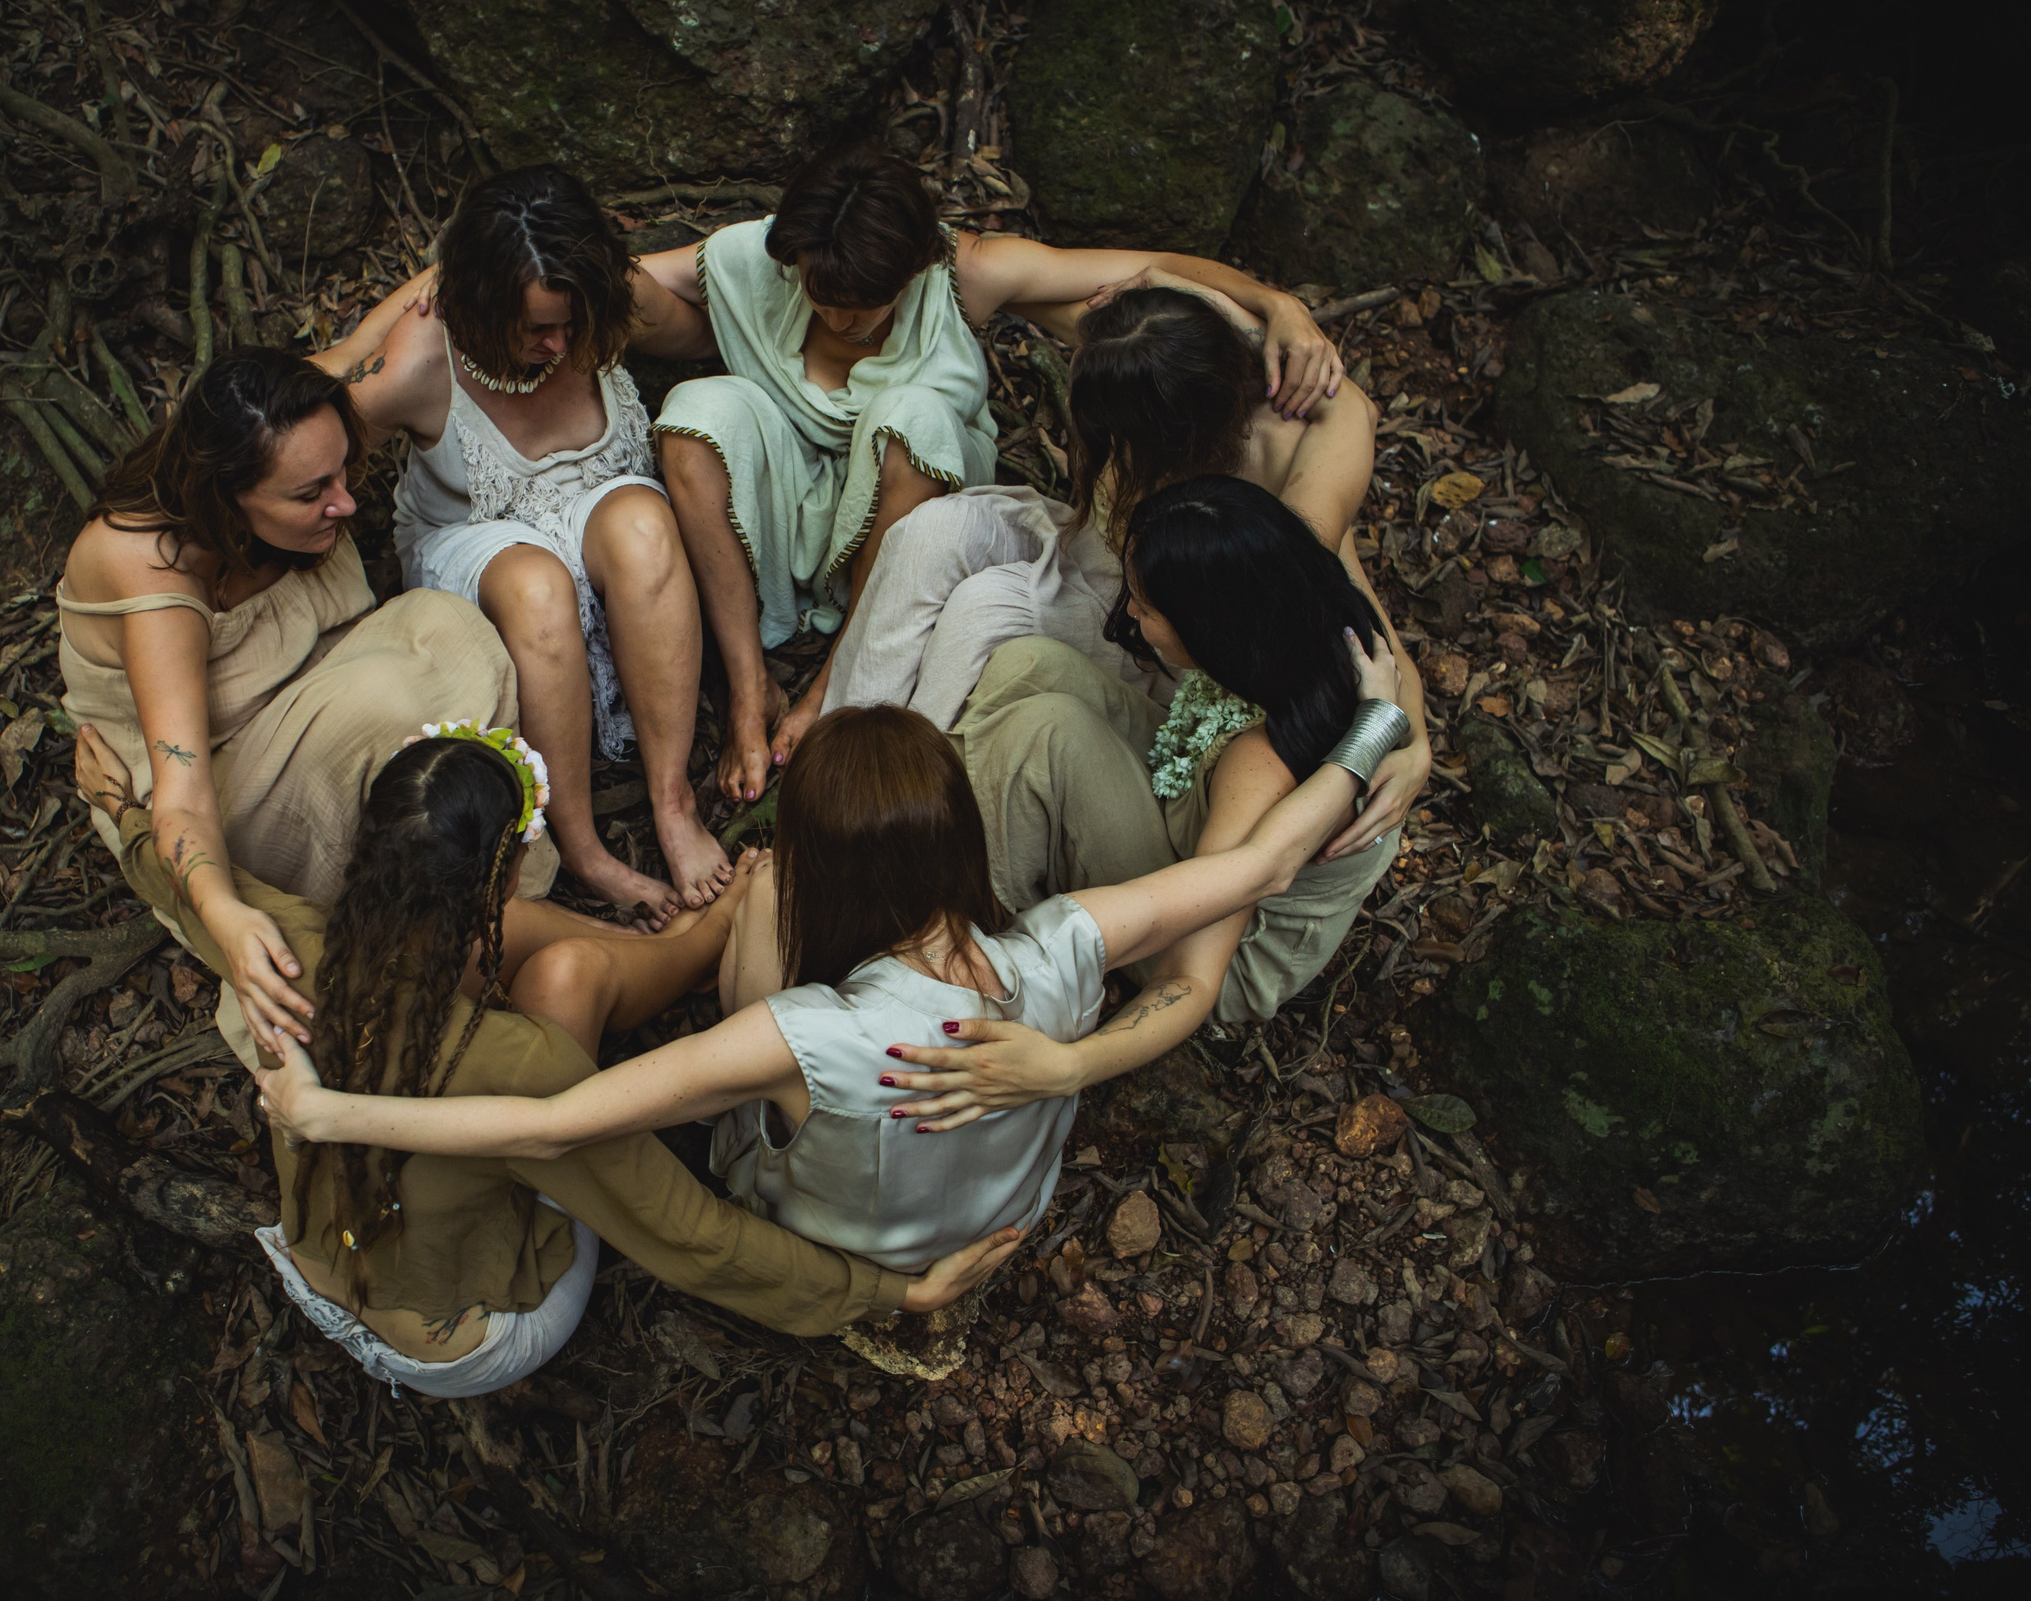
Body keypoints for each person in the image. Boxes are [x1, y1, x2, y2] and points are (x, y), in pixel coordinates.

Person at [252, 640, 1409, 1278]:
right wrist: (1378, 724)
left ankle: (717, 935)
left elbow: (553, 1120)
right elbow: (1260, 870)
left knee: (722, 938)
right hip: (1008, 1202)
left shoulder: (797, 1035)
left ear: (821, 868)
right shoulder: (1068, 942)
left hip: (834, 1228)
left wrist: (329, 1111)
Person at [73, 725, 1019, 1399]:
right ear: (490, 875)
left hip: (319, 1270)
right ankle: (699, 938)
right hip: (467, 1338)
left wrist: (120, 812)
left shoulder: (286, 949)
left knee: (551, 961)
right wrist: (896, 1290)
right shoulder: (523, 1065)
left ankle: (689, 939)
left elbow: (202, 891)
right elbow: (690, 1233)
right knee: (568, 991)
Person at [646, 145, 1348, 800]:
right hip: (1043, 537)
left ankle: (885, 784)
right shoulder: (775, 261)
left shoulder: (1281, 426)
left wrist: (1279, 307)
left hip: (1127, 590)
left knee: (978, 606)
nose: (835, 317)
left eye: (857, 307)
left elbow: (1335, 608)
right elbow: (640, 288)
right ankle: (838, 738)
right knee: (936, 536)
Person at [56, 349, 625, 1058]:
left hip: (329, 686)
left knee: (451, 629)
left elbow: (429, 309)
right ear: (227, 497)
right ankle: (455, 937)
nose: (347, 502)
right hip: (221, 789)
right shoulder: (150, 565)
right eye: (310, 493)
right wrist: (227, 918)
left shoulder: (277, 415)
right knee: (387, 703)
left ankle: (497, 897)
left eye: (342, 471)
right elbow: (181, 793)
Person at [823, 278, 1429, 861]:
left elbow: (1348, 613)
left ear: (1181, 433)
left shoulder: (1293, 464)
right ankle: (834, 763)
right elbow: (1056, 267)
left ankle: (892, 815)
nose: (1113, 452)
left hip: (1147, 634)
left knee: (981, 612)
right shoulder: (1138, 339)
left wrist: (1414, 740)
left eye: (1127, 441)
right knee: (933, 532)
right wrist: (1277, 305)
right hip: (1075, 548)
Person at [890, 476, 1412, 1134]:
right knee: (1031, 664)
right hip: (1197, 787)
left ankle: (963, 927)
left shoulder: (1262, 766)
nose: (1130, 615)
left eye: (1145, 604)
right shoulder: (1301, 603)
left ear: (1213, 628)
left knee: (1046, 736)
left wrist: (1068, 1065)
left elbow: (1191, 978)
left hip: (1219, 941)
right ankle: (952, 827)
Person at [314, 166, 729, 924]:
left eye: (571, 322)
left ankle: (673, 805)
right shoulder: (419, 360)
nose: (559, 343)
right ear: (474, 301)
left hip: (600, 513)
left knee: (644, 527)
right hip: (473, 538)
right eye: (536, 327)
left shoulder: (606, 301)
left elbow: (711, 322)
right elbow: (303, 413)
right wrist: (395, 312)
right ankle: (582, 846)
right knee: (540, 587)